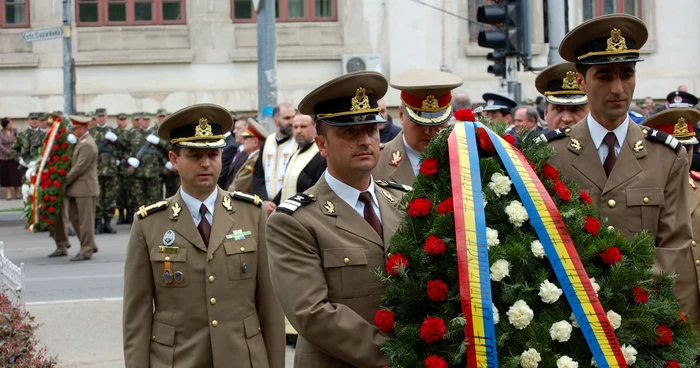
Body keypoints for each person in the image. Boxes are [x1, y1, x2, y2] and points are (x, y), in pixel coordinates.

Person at [544, 14, 699, 320]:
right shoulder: (552, 155)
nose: (618, 88)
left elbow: (674, 245)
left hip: (643, 317)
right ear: (580, 81)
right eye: (604, 76)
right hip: (572, 321)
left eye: (626, 74)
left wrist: (631, 300)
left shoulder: (666, 155)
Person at [122, 103, 285, 368]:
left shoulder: (251, 213)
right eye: (195, 155)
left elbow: (270, 304)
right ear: (175, 160)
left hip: (242, 359)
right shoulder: (149, 224)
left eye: (213, 153)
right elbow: (136, 316)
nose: (206, 163)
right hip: (177, 360)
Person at [267, 71, 408, 368]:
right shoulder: (294, 221)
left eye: (371, 130)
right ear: (322, 145)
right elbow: (312, 313)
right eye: (349, 133)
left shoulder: (403, 202)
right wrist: (399, 355)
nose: (365, 141)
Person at [643, 107, 700, 337]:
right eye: (675, 148)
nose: (683, 155)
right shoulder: (641, 195)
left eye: (687, 148)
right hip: (667, 320)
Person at [373, 69, 463, 186]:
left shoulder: (463, 160)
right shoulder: (376, 162)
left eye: (437, 123)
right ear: (401, 115)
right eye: (420, 123)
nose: (429, 131)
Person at [48, 115, 99, 261]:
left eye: (75, 128)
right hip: (77, 189)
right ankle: (90, 245)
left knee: (85, 221)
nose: (72, 131)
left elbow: (79, 168)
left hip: (85, 189)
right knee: (76, 219)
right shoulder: (81, 142)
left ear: (82, 127)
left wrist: (62, 181)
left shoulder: (88, 144)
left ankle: (86, 249)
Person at [251, 103, 297, 214]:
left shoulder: (298, 143)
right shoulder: (268, 142)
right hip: (266, 206)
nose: (291, 122)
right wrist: (264, 200)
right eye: (287, 118)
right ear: (275, 120)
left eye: (293, 117)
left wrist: (277, 202)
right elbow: (258, 175)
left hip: (289, 206)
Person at [276, 114, 326, 202]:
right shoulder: (294, 155)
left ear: (315, 128)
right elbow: (286, 186)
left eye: (303, 126)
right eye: (295, 127)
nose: (298, 131)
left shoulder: (321, 155)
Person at [535, 62, 590, 131]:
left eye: (576, 109)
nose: (566, 119)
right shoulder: (535, 142)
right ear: (546, 114)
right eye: (558, 109)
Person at [90, 108, 120, 234]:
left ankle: (107, 223)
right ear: (95, 117)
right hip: (96, 170)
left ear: (107, 117)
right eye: (99, 116)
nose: (101, 118)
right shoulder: (91, 132)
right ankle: (97, 223)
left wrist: (117, 141)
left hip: (111, 170)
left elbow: (123, 148)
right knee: (97, 197)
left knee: (110, 198)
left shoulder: (113, 131)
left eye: (103, 116)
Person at [227, 118, 268, 193]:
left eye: (246, 138)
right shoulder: (251, 158)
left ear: (255, 142)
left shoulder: (255, 161)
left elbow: (238, 187)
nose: (243, 140)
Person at [221, 117, 251, 189]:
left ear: (247, 130)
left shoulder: (249, 152)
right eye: (235, 128)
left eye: (238, 128)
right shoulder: (239, 149)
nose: (234, 131)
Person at [115, 113, 132, 224]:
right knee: (119, 192)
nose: (122, 121)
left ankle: (130, 214)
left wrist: (128, 158)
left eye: (124, 119)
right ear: (117, 121)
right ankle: (121, 214)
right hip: (116, 166)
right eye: (120, 119)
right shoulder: (113, 132)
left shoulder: (131, 133)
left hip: (128, 165)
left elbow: (133, 148)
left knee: (129, 191)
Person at [0, 118, 21, 200]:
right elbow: (0, 145)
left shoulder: (15, 131)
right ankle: (8, 192)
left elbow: (19, 141)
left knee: (16, 175)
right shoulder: (1, 133)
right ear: (5, 125)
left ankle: (17, 191)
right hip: (4, 157)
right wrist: (8, 151)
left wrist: (15, 151)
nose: (11, 125)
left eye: (12, 123)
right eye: (10, 123)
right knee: (6, 175)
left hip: (14, 157)